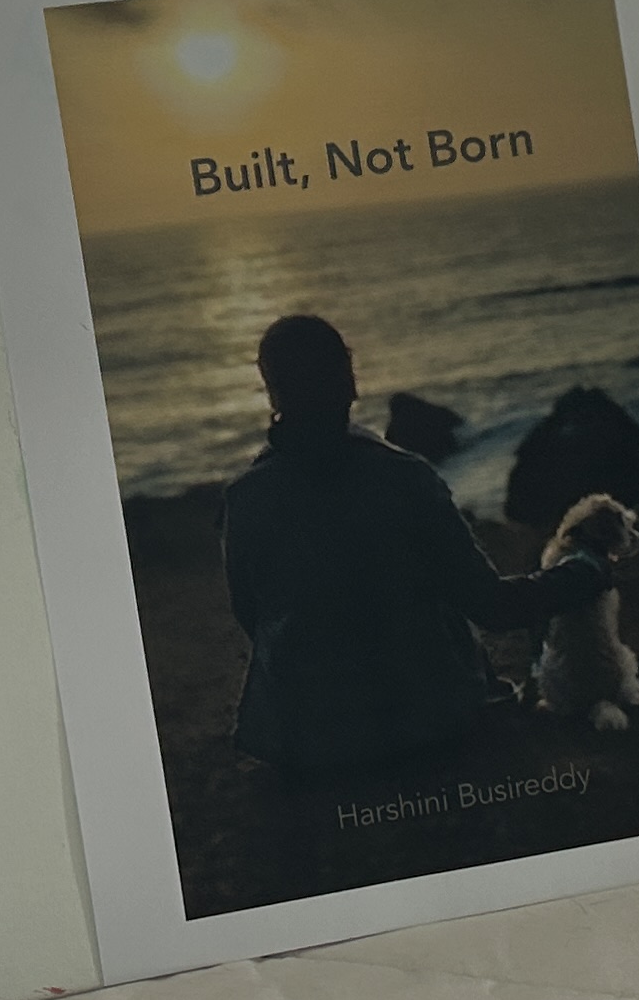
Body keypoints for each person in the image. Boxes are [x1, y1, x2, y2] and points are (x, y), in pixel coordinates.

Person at [218, 314, 610, 775]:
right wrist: (583, 570)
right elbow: (491, 606)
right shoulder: (404, 478)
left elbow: (253, 615)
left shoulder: (244, 498)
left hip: (304, 736)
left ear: (272, 391)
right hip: (423, 723)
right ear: (350, 381)